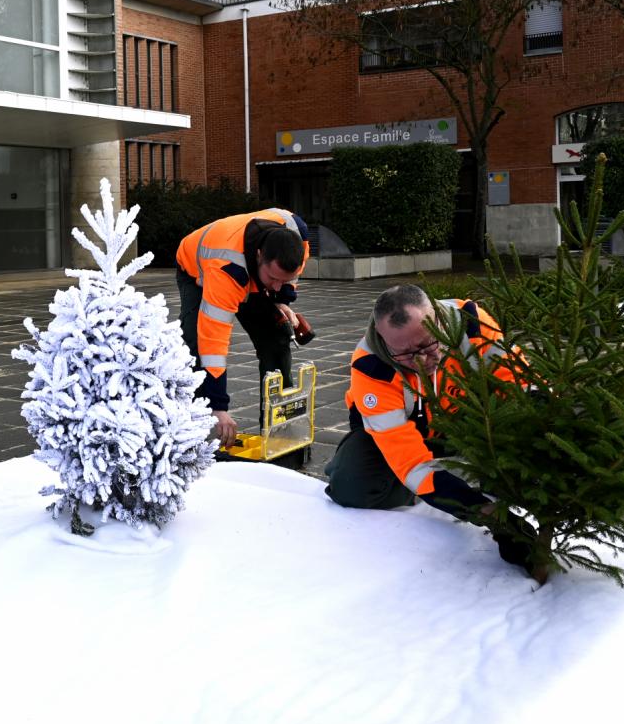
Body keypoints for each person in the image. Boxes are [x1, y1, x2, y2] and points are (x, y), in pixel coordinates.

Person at [324, 283, 532, 565]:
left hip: (465, 420)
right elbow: (410, 461)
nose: (422, 361)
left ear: (438, 320)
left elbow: (517, 386)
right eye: (405, 354)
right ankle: (424, 487)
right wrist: (489, 516)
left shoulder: (471, 324)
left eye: (427, 344)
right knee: (351, 486)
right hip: (401, 432)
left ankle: (463, 474)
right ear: (385, 340)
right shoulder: (371, 367)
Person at [175, 209, 312, 448]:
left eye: (283, 279)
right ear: (259, 256)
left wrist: (282, 298)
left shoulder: (296, 233)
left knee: (276, 338)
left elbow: (286, 276)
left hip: (249, 269)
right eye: (273, 279)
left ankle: (278, 426)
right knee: (196, 346)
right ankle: (202, 427)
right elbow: (213, 342)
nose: (276, 286)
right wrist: (218, 405)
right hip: (197, 269)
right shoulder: (227, 271)